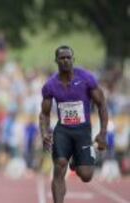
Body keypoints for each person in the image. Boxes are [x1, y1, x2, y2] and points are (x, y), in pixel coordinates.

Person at [39, 45, 108, 203]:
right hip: (63, 130)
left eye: (68, 57)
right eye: (62, 58)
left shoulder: (86, 79)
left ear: (73, 59)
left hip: (83, 130)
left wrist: (103, 133)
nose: (65, 61)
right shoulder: (50, 85)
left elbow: (102, 105)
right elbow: (44, 113)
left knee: (86, 175)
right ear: (56, 60)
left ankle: (76, 160)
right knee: (59, 166)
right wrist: (44, 132)